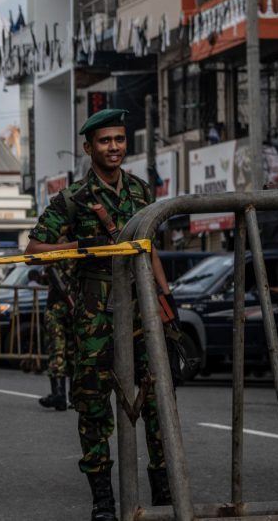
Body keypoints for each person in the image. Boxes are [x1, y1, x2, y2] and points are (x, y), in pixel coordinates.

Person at [25, 109, 174, 520]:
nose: (114, 148)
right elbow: (33, 249)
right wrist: (77, 246)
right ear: (88, 148)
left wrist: (166, 300)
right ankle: (103, 498)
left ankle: (164, 484)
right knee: (93, 405)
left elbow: (150, 249)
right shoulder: (72, 198)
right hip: (94, 315)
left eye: (120, 140)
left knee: (157, 399)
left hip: (141, 309)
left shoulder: (142, 192)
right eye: (105, 141)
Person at [38, 261, 75, 411]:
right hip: (57, 308)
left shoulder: (78, 246)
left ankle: (70, 395)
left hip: (73, 307)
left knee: (71, 353)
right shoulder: (52, 250)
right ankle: (59, 394)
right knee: (58, 350)